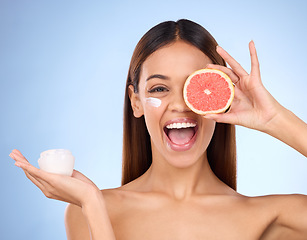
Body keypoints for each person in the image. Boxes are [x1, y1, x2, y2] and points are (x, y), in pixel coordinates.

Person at [9, 19, 307, 239]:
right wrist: (92, 204)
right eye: (160, 88)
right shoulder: (86, 208)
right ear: (135, 102)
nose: (179, 104)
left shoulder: (273, 218)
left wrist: (274, 119)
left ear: (219, 96)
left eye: (196, 87)